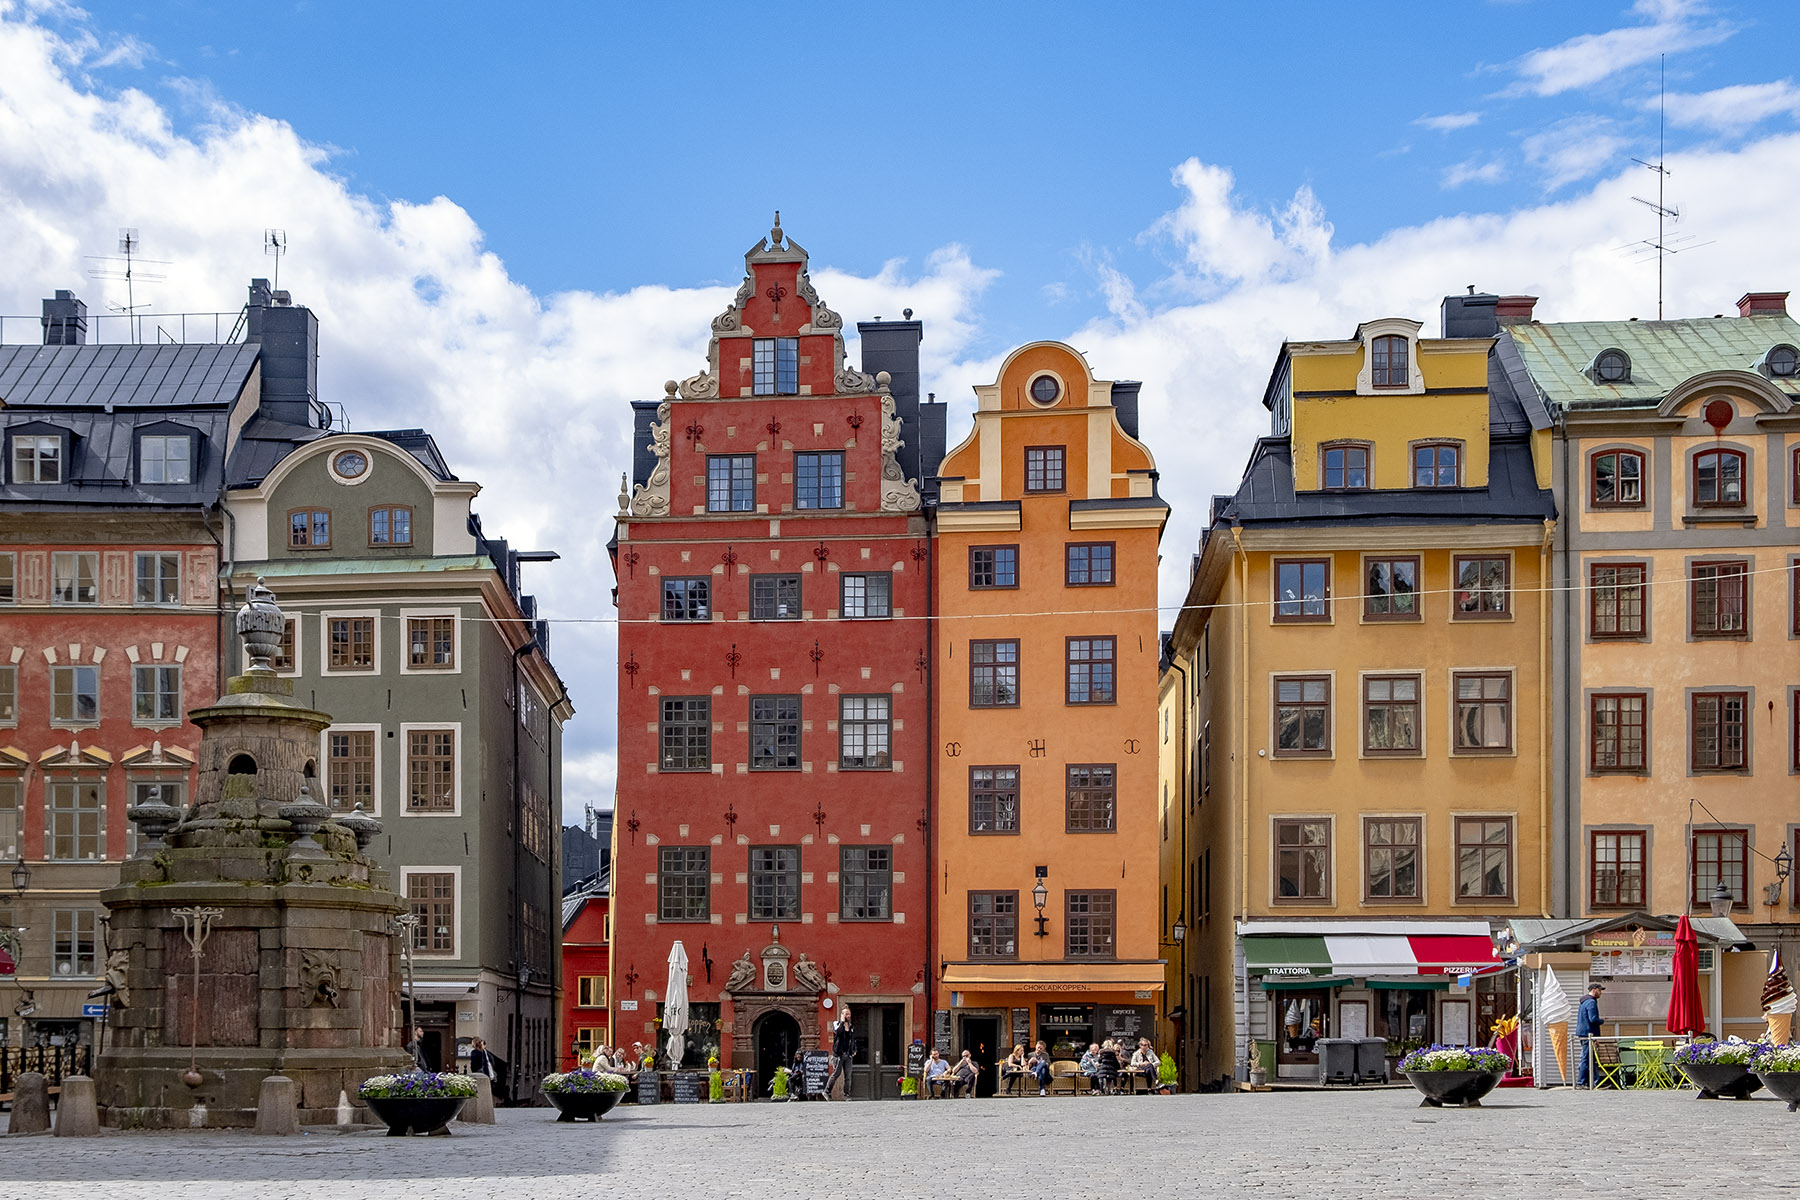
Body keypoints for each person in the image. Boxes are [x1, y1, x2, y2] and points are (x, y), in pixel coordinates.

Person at [1576, 982, 1605, 1089]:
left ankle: (1596, 1083)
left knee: (1591, 1059)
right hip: (1588, 1034)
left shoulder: (1583, 1002)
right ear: (1594, 990)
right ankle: (1581, 1082)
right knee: (1587, 1058)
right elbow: (1593, 1019)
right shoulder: (1591, 1002)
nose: (1601, 993)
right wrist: (1602, 1021)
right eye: (1599, 990)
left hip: (1584, 1033)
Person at [825, 1009, 857, 1100]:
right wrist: (842, 1022)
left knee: (848, 1076)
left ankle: (847, 1095)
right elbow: (838, 1033)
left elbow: (853, 1039)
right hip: (838, 1055)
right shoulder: (837, 1024)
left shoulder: (851, 1026)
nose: (848, 1016)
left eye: (849, 1014)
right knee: (836, 1074)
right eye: (846, 1014)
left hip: (848, 1055)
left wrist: (854, 1049)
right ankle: (827, 1091)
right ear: (842, 1015)